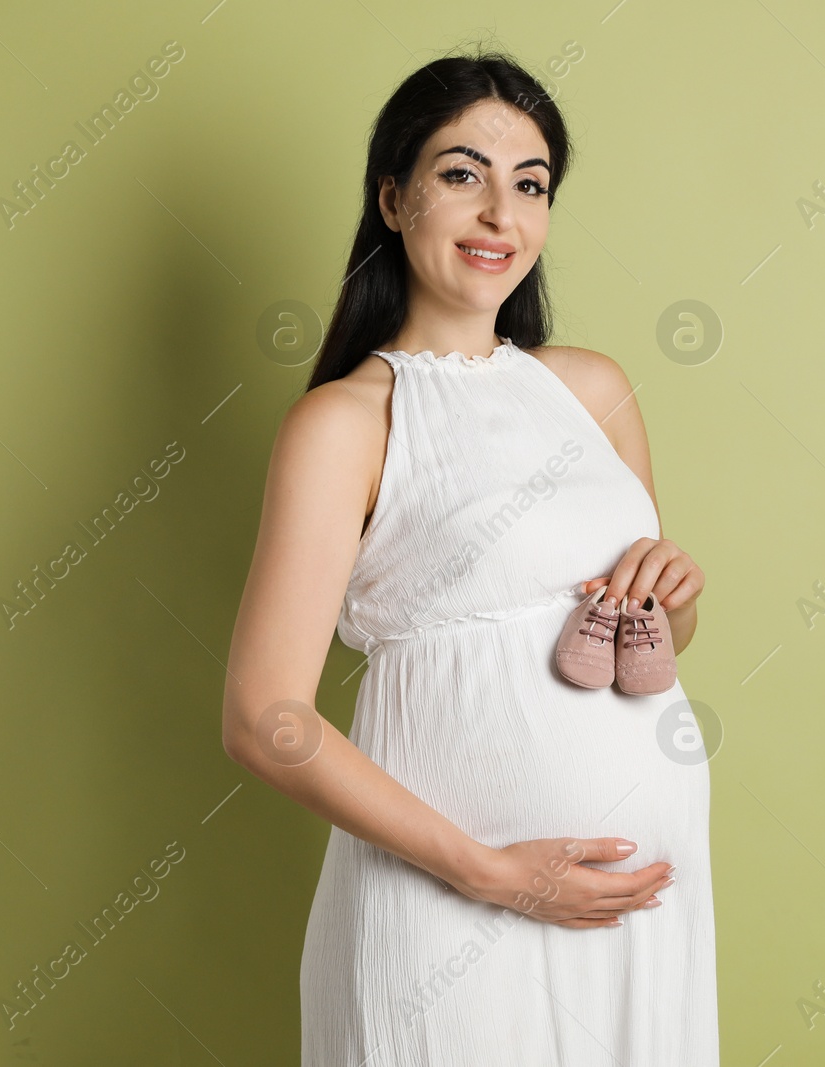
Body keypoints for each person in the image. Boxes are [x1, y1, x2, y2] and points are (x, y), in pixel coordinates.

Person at [222, 49, 718, 1065]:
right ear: (394, 196)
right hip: (451, 906)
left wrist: (668, 594)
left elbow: (650, 641)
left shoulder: (593, 390)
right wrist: (487, 871)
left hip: (637, 908)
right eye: (463, 174)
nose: (501, 213)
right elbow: (259, 715)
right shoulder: (346, 422)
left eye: (529, 184)